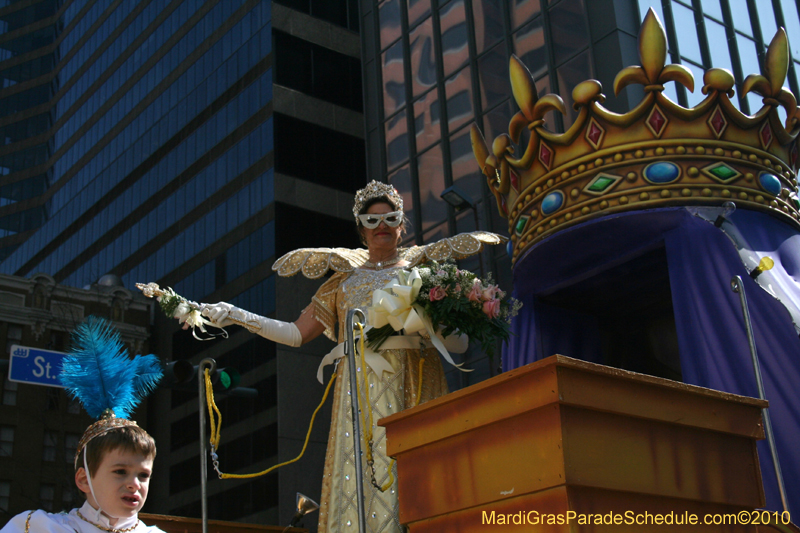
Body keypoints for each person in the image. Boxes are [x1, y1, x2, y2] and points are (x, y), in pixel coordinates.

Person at [202, 180, 505, 533]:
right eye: (372, 220)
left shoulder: (427, 273)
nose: (382, 227)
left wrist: (431, 322)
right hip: (358, 395)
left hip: (416, 384)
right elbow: (295, 333)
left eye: (390, 218)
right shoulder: (342, 281)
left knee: (419, 473)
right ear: (360, 227)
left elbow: (460, 343)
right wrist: (238, 314)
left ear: (402, 224)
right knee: (362, 479)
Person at [1, 318, 164, 533]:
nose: (134, 484)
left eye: (143, 475)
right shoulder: (40, 528)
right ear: (84, 479)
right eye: (120, 471)